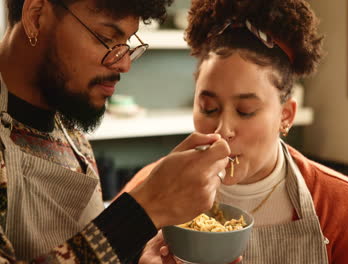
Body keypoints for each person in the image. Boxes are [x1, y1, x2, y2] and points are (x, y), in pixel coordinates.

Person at [121, 0, 348, 263]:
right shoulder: (150, 191)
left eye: (245, 111)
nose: (222, 131)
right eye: (208, 108)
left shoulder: (343, 207)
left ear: (285, 116)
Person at [0, 0, 233, 262]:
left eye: (126, 46)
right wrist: (142, 211)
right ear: (36, 16)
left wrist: (136, 257)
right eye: (106, 38)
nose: (124, 65)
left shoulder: (70, 134)